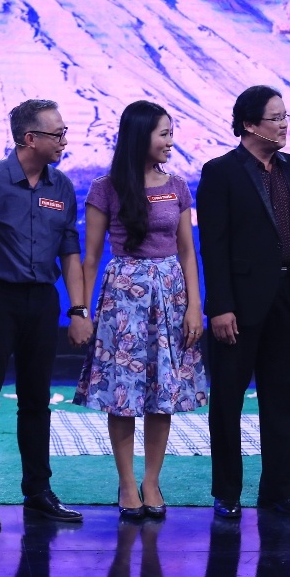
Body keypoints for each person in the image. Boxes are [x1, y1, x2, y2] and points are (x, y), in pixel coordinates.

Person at [0, 99, 93, 528]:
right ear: (30, 138)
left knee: (37, 400)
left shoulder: (63, 187)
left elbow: (70, 252)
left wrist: (78, 309)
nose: (65, 141)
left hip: (42, 303)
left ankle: (38, 491)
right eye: (58, 134)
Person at [73, 100, 208, 519]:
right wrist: (81, 312)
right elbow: (90, 258)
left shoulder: (178, 186)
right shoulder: (105, 187)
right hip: (124, 297)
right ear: (139, 136)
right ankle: (127, 482)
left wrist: (195, 306)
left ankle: (151, 480)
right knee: (124, 393)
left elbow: (188, 252)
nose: (170, 141)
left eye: (171, 133)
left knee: (162, 392)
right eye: (163, 134)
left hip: (170, 296)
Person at [196, 85, 290, 519]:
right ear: (249, 124)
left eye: (286, 117)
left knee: (285, 399)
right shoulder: (220, 172)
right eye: (276, 118)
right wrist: (220, 306)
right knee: (228, 400)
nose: (284, 125)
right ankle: (227, 492)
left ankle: (280, 492)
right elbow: (213, 244)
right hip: (239, 305)